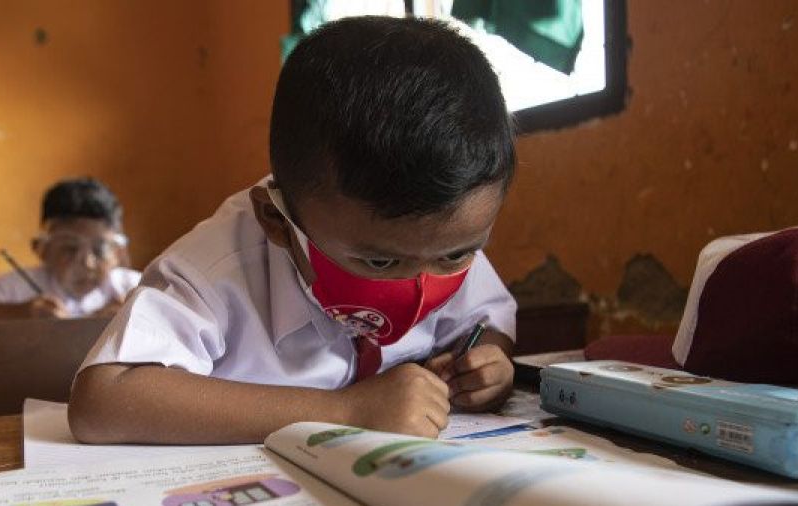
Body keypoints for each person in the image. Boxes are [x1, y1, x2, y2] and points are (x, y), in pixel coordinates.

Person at [69, 15, 517, 444]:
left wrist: (485, 369)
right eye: (379, 261)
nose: (419, 284)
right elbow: (104, 398)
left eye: (456, 256)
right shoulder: (216, 267)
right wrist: (345, 412)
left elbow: (486, 324)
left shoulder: (440, 241)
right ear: (277, 221)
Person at [0, 177, 140, 320]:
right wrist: (21, 313)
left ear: (118, 253)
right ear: (42, 249)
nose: (87, 263)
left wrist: (137, 314)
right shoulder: (22, 286)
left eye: (100, 249)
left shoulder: (132, 287)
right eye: (69, 248)